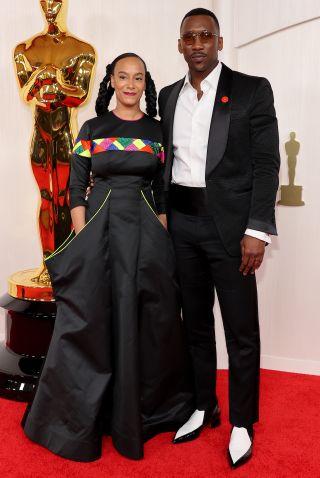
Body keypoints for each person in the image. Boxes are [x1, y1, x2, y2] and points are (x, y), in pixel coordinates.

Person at [22, 52, 194, 462]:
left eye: (138, 78)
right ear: (111, 82)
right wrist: (84, 237)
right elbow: (76, 186)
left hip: (146, 233)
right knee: (90, 318)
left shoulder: (156, 131)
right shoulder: (93, 128)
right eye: (123, 76)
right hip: (98, 229)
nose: (130, 84)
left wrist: (162, 233)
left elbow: (164, 190)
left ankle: (143, 414)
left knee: (150, 318)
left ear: (144, 83)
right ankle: (84, 417)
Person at [158, 8, 280, 468]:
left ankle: (242, 422)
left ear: (220, 42)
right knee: (195, 326)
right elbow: (165, 165)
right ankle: (202, 404)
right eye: (189, 37)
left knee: (241, 330)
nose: (197, 44)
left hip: (232, 229)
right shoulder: (169, 97)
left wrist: (256, 230)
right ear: (180, 45)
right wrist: (165, 215)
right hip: (182, 228)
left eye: (206, 35)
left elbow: (267, 165)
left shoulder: (251, 89)